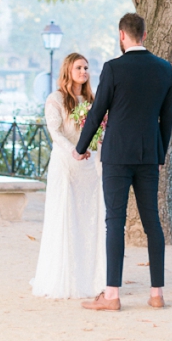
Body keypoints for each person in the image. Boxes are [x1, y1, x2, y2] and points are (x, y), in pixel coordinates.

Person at [73, 12, 172, 311]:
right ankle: (157, 294)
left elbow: (97, 112)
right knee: (152, 223)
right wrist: (159, 153)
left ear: (122, 35)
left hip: (117, 155)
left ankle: (112, 296)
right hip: (148, 156)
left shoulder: (113, 68)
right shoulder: (164, 69)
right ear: (144, 35)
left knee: (114, 223)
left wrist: (81, 147)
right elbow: (167, 118)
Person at [31, 53, 105, 299]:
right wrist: (74, 151)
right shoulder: (56, 99)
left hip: (89, 169)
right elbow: (55, 132)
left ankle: (91, 277)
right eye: (79, 67)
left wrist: (94, 148)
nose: (83, 71)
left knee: (89, 219)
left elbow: (100, 129)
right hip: (66, 164)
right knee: (65, 217)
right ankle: (64, 277)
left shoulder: (93, 100)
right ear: (68, 70)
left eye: (86, 67)